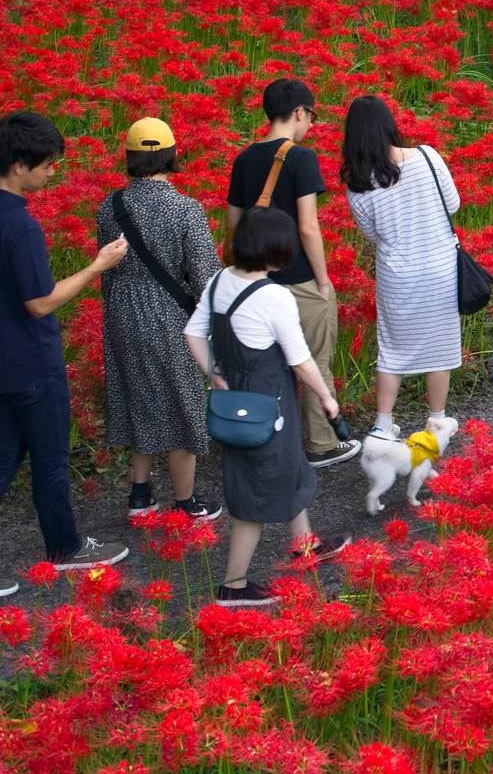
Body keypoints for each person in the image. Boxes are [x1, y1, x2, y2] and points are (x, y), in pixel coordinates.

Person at [185, 208, 349, 608]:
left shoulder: (219, 280)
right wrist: (327, 398)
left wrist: (215, 373)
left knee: (287, 467)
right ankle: (233, 586)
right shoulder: (275, 295)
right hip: (269, 405)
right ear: (277, 248)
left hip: (234, 401)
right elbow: (299, 359)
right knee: (256, 491)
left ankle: (305, 546)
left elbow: (192, 333)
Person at [0, 112, 131, 595]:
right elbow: (41, 302)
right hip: (32, 363)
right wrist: (99, 264)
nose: (53, 172)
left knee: (4, 458)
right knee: (49, 460)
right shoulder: (21, 226)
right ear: (19, 165)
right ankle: (65, 550)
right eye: (48, 164)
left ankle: (64, 546)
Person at [225, 79, 358, 468]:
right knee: (314, 359)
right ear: (299, 111)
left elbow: (232, 224)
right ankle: (321, 444)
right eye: (312, 117)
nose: (312, 125)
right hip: (297, 277)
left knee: (265, 365)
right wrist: (322, 281)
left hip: (252, 282)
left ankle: (265, 439)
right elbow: (307, 227)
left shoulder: (244, 159)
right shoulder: (301, 158)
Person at [96, 119, 223, 522]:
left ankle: (140, 496)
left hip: (121, 311)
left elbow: (107, 267)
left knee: (138, 399)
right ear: (171, 154)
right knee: (181, 404)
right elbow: (205, 278)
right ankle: (185, 505)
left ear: (131, 157)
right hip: (171, 318)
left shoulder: (110, 206)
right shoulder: (185, 208)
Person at [340, 96, 461, 442]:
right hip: (439, 270)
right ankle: (436, 420)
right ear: (388, 124)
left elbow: (372, 234)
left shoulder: (358, 184)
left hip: (397, 276)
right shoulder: (427, 156)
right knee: (440, 345)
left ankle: (382, 424)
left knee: (392, 348)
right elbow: (452, 204)